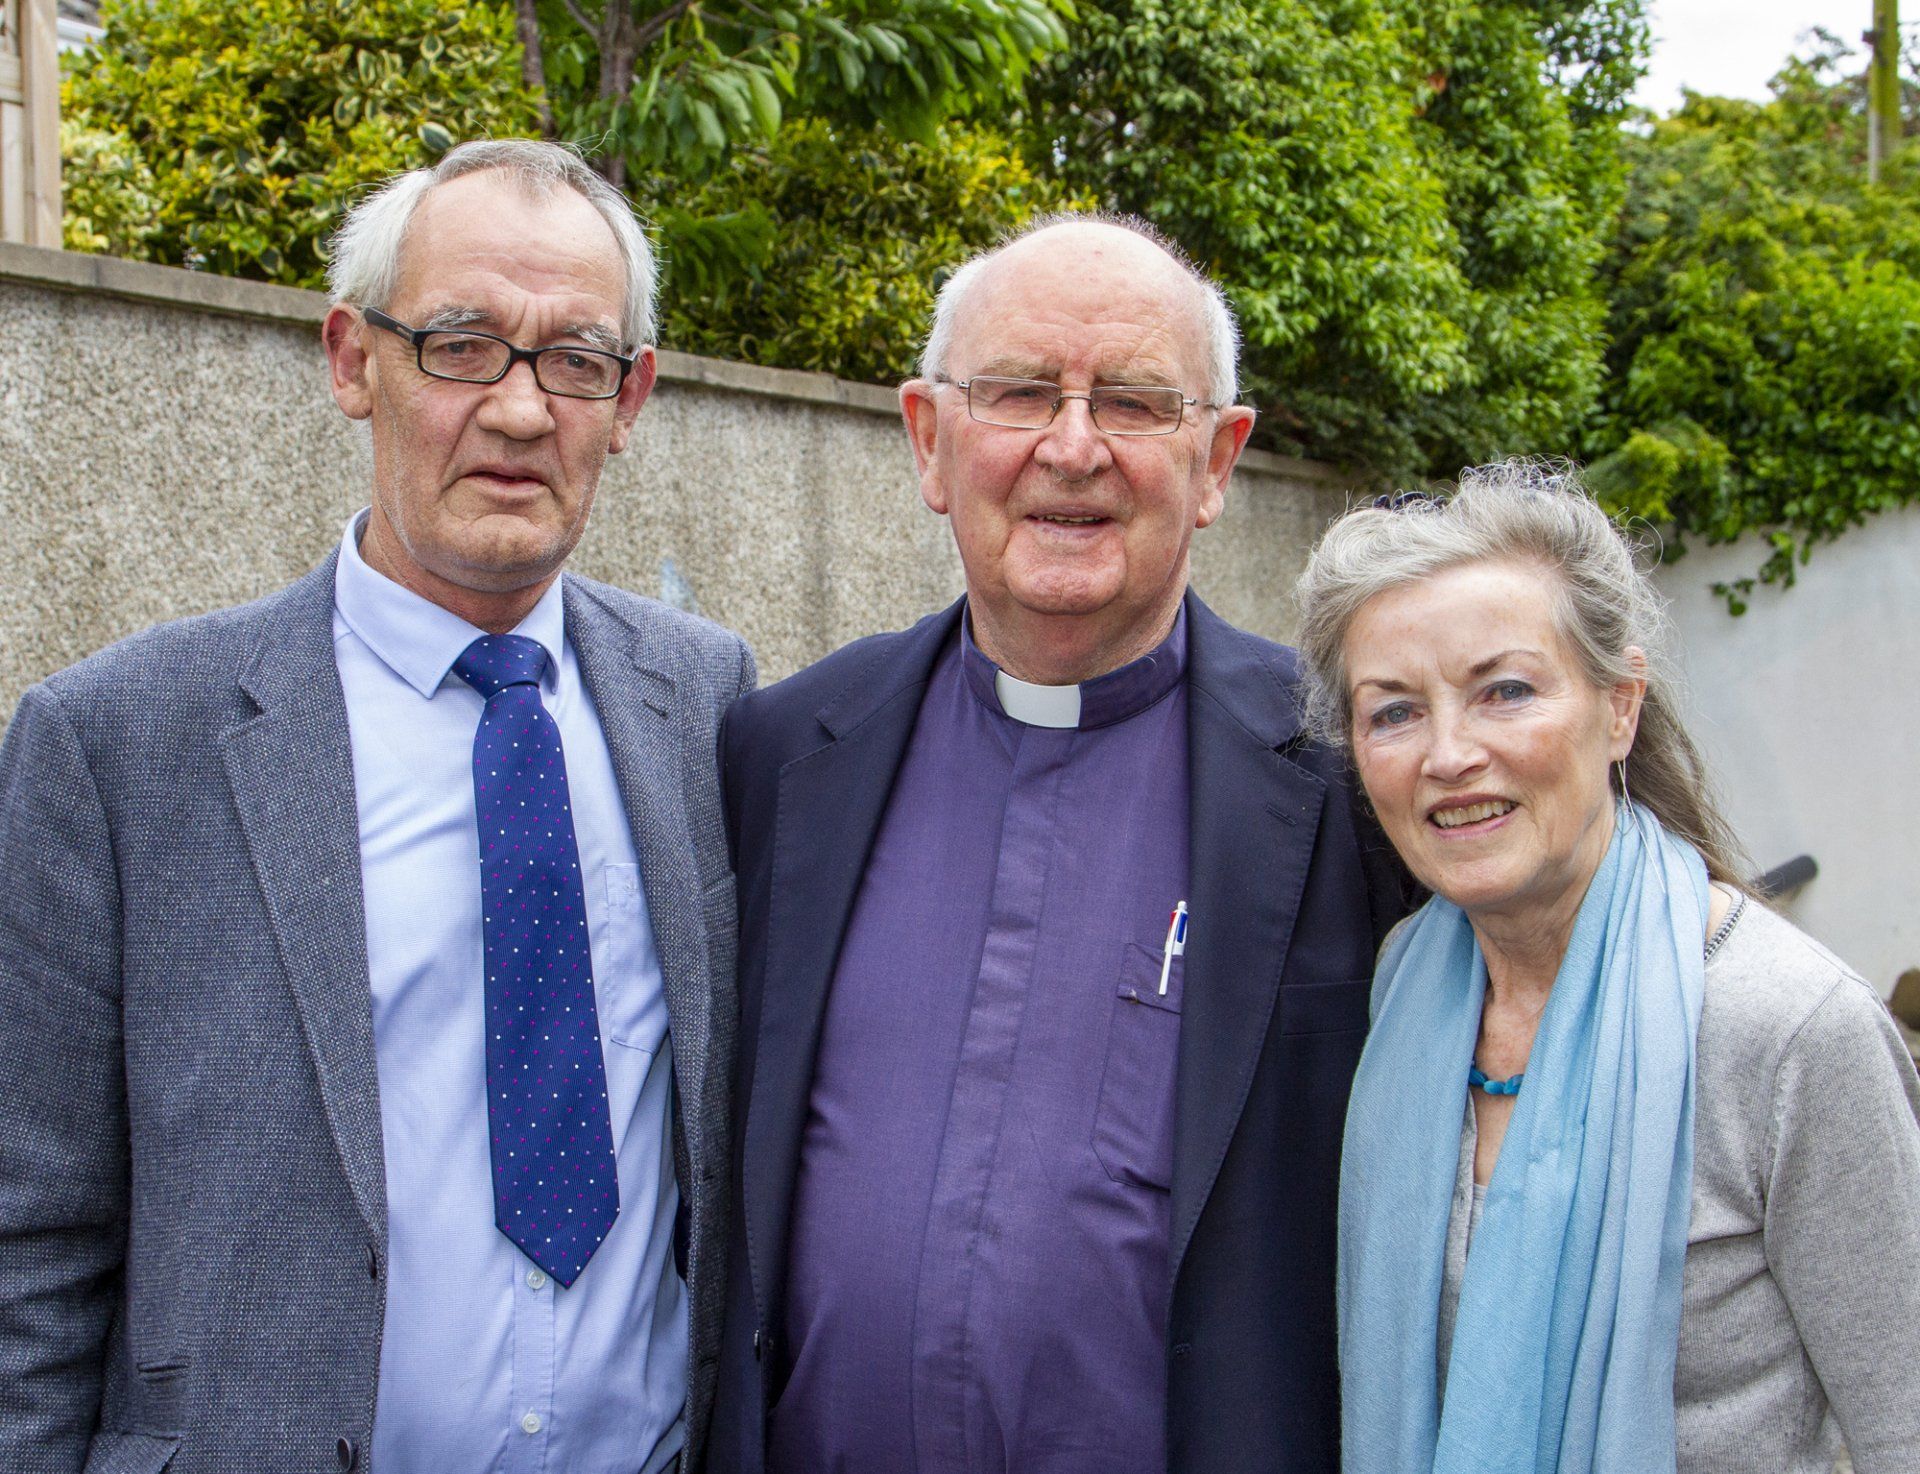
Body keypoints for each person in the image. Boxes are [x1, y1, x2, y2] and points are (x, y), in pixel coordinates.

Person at [0, 140, 753, 1473]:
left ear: (628, 398)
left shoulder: (707, 705)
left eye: (573, 358)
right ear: (355, 360)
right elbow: (29, 1241)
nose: (520, 411)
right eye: (461, 344)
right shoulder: (116, 745)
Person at [707, 215, 1413, 1474]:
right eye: (1020, 392)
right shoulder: (779, 755)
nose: (1072, 446)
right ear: (930, 439)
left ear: (1216, 460)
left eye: (1136, 402)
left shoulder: (1343, 776)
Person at [1301, 462, 1920, 1474]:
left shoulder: (1792, 1028)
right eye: (1395, 710)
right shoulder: (1404, 983)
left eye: (1505, 690)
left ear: (1619, 706)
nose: (1449, 753)